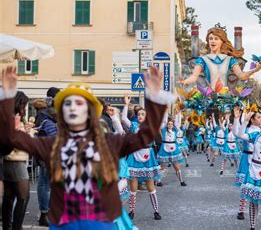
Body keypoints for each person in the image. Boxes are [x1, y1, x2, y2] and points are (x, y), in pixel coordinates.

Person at [0, 66, 173, 229]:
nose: (73, 107)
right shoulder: (52, 145)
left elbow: (145, 136)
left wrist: (155, 99)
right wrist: (7, 98)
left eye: (79, 103)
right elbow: (11, 137)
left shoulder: (109, 142)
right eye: (68, 104)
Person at [178, 26, 261, 89]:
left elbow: (241, 76)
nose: (213, 41)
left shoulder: (230, 60)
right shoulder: (202, 60)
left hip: (225, 97)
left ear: (222, 41)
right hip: (208, 96)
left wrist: (254, 70)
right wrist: (185, 81)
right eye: (210, 38)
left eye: (216, 38)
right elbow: (194, 77)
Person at [122, 93, 163, 220]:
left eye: (142, 114)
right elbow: (123, 119)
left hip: (147, 158)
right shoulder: (133, 126)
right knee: (133, 187)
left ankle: (156, 211)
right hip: (134, 157)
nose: (140, 116)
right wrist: (126, 104)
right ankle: (132, 211)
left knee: (151, 187)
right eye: (139, 114)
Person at [2, 91, 30, 230]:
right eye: (24, 105)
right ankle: (16, 227)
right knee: (24, 196)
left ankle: (7, 226)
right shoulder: (13, 118)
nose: (25, 108)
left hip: (8, 160)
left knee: (9, 196)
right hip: (15, 159)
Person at [33, 97, 58, 227]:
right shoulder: (49, 120)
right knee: (47, 185)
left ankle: (44, 213)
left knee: (43, 184)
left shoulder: (41, 117)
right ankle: (45, 213)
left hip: (43, 155)